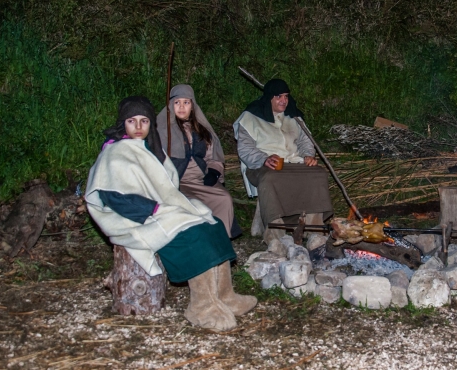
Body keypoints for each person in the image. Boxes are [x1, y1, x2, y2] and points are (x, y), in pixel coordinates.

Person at [85, 96, 256, 331]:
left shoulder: (151, 148)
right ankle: (201, 307)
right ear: (122, 123)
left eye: (144, 121)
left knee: (212, 224)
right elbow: (112, 197)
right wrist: (153, 209)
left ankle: (225, 295)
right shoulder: (114, 153)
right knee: (192, 236)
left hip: (158, 209)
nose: (138, 127)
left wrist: (165, 203)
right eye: (132, 121)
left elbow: (168, 183)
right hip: (133, 218)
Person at [233, 78, 333, 240]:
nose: (284, 101)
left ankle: (314, 227)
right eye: (279, 97)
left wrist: (308, 155)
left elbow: (305, 141)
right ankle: (275, 230)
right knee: (271, 177)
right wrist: (263, 159)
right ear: (270, 98)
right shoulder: (250, 118)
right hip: (263, 166)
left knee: (318, 174)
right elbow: (245, 149)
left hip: (294, 162)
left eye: (286, 96)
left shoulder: (294, 116)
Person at [157, 84, 241, 238]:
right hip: (177, 182)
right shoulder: (163, 130)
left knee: (223, 198)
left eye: (186, 103)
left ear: (192, 106)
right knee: (184, 205)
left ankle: (221, 241)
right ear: (170, 105)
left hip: (199, 180)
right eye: (177, 102)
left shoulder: (201, 130)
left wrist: (214, 172)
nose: (181, 107)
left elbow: (213, 156)